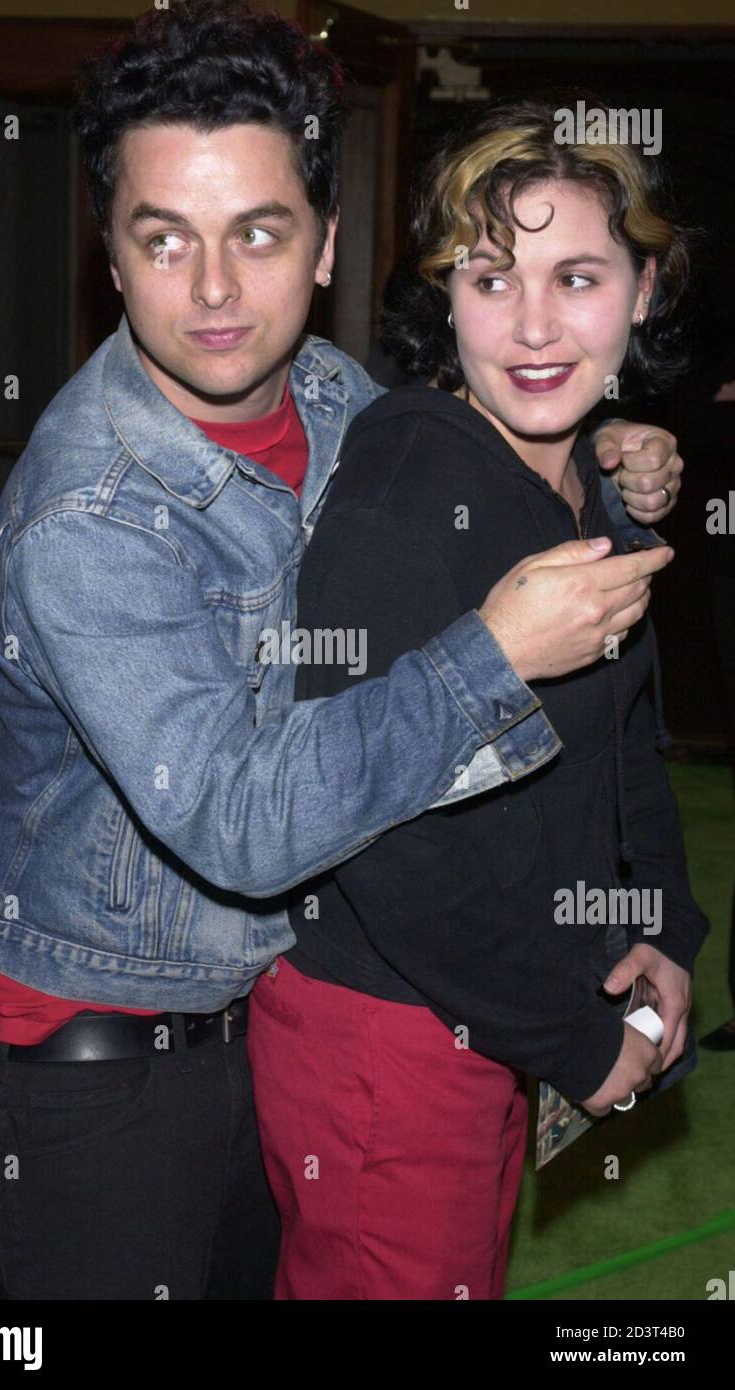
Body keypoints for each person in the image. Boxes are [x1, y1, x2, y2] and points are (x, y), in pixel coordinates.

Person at [0, 4, 682, 1301]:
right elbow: (242, 822)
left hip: (277, 1005)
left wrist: (601, 444)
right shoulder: (87, 521)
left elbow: (484, 432)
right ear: (108, 256)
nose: (215, 289)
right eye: (163, 238)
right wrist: (491, 652)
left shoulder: (335, 395)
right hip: (104, 1051)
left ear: (327, 240)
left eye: (258, 232)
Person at [247, 94, 710, 1301]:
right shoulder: (406, 490)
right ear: (443, 299)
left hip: (499, 1006)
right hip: (386, 1034)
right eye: (491, 278)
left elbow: (622, 744)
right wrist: (574, 1040)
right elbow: (379, 844)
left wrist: (658, 928)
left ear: (643, 292)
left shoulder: (575, 479)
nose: (535, 326)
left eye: (578, 278)